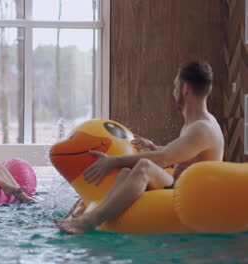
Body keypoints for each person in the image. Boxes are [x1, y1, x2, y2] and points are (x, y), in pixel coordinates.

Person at [55, 61, 224, 234]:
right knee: (125, 173)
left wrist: (112, 161)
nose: (173, 92)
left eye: (175, 86)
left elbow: (165, 159)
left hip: (194, 195)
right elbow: (185, 153)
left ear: (185, 88)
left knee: (144, 166)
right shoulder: (195, 124)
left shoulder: (202, 128)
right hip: (178, 184)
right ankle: (86, 216)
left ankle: (91, 220)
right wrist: (154, 147)